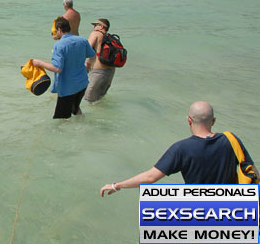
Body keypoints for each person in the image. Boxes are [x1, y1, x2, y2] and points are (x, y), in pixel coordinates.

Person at [100, 101, 257, 196]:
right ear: (213, 121)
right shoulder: (231, 140)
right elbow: (253, 173)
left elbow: (150, 178)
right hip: (232, 211)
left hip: (200, 214)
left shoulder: (181, 149)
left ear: (189, 120)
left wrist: (116, 185)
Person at [31, 16, 96, 119]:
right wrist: (88, 65)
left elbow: (57, 68)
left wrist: (39, 63)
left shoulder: (59, 45)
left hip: (67, 88)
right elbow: (93, 55)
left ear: (59, 30)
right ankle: (84, 127)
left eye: (56, 31)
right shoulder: (82, 40)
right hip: (82, 84)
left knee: (61, 119)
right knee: (75, 109)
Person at [85, 19, 115, 103]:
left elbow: (87, 50)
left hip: (98, 72)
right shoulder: (110, 38)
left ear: (101, 26)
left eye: (95, 25)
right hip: (110, 72)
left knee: (89, 101)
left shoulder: (96, 34)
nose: (94, 27)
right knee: (100, 100)